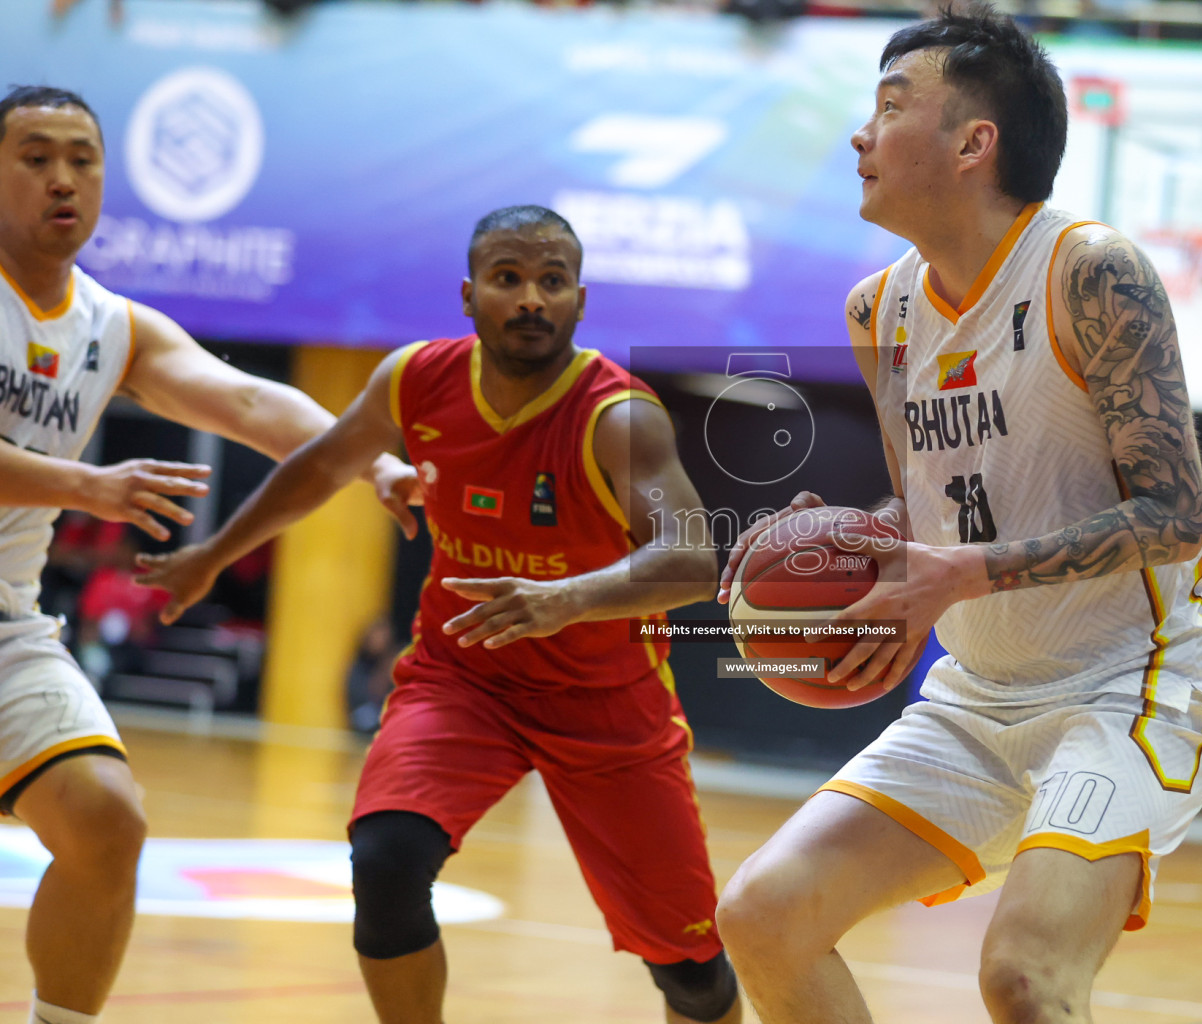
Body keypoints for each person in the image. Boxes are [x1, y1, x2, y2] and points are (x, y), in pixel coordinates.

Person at [712, 9, 1202, 1023]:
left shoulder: (1092, 274)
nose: (861, 135)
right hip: (974, 699)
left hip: (1126, 688)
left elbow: (1174, 514)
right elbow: (935, 509)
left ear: (973, 142)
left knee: (1025, 976)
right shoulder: (880, 311)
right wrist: (848, 542)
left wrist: (969, 571)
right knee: (762, 913)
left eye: (889, 108)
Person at [136, 206, 742, 1024]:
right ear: (469, 295)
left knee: (692, 975)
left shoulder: (617, 415)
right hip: (464, 683)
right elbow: (319, 468)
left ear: (579, 301)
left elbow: (693, 558)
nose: (532, 298)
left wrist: (565, 599)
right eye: (509, 278)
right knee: (385, 861)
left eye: (552, 281)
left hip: (606, 705)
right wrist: (210, 556)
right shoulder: (414, 379)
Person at [0, 85, 418, 1024]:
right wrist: (88, 487)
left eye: (82, 159)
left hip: (6, 628)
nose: (64, 178)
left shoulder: (111, 326)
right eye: (35, 157)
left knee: (107, 820)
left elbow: (249, 405)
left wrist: (375, 463)